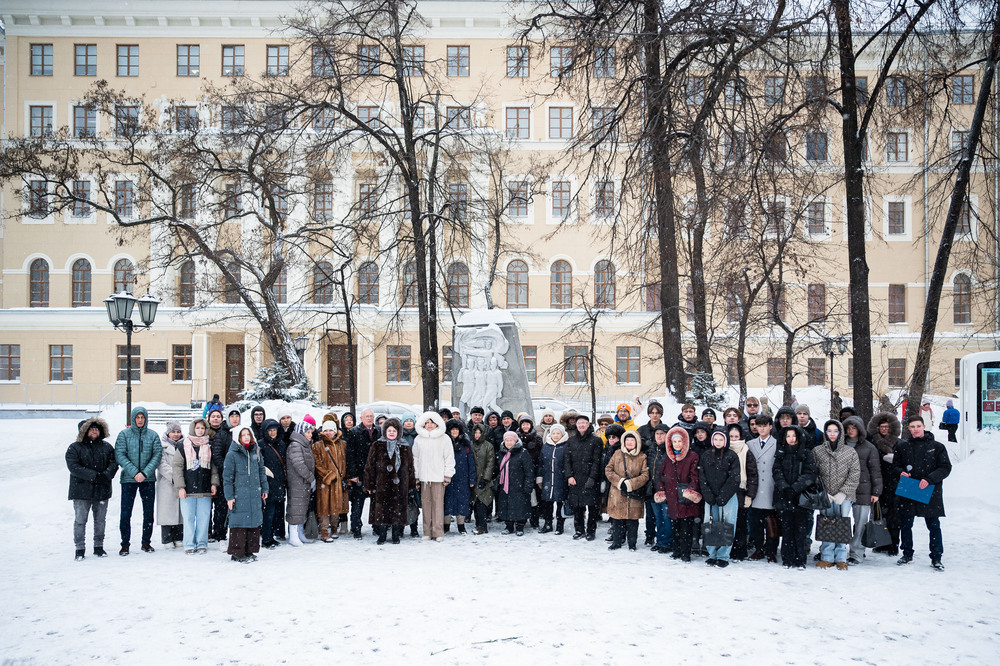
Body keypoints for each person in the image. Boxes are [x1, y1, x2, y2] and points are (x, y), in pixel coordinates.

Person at [893, 416, 952, 570]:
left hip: (930, 490)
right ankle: (907, 554)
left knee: (933, 525)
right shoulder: (902, 447)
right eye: (912, 427)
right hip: (909, 488)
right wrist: (900, 472)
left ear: (924, 426)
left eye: (918, 426)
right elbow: (895, 466)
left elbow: (945, 467)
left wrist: (930, 479)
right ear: (908, 428)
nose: (916, 429)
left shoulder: (937, 447)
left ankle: (936, 557)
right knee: (906, 524)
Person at [66, 417, 117, 560]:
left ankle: (98, 546)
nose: (94, 431)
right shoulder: (74, 448)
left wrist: (105, 475)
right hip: (81, 491)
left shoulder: (107, 447)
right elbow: (74, 467)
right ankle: (79, 549)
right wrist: (94, 476)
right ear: (84, 431)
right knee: (80, 521)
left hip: (102, 490)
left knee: (100, 520)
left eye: (97, 429)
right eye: (91, 429)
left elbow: (114, 463)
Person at [813, 420, 860, 570]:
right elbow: (814, 474)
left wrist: (843, 493)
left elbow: (854, 474)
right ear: (825, 433)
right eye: (829, 431)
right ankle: (826, 556)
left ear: (840, 433)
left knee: (842, 524)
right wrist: (823, 492)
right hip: (825, 495)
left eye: (835, 431)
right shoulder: (818, 451)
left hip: (844, 497)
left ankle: (841, 557)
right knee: (826, 524)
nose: (832, 434)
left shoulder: (850, 452)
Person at [115, 406, 162, 556]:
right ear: (133, 418)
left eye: (142, 417)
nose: (140, 420)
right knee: (125, 513)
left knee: (148, 512)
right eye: (137, 417)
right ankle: (125, 544)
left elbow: (157, 455)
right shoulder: (124, 435)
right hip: (129, 479)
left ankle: (146, 542)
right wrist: (135, 472)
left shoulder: (153, 435)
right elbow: (120, 455)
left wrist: (145, 473)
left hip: (148, 479)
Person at [771, 425, 818, 569]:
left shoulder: (806, 453)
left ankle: (800, 559)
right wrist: (784, 487)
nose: (791, 439)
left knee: (801, 530)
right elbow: (776, 471)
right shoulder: (781, 452)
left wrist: (796, 487)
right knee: (787, 529)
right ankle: (787, 558)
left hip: (801, 497)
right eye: (788, 436)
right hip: (784, 496)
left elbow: (810, 473)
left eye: (794, 436)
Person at [365, 417, 417, 545]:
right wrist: (369, 484)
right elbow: (369, 466)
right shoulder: (377, 445)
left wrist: (411, 485)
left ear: (398, 432)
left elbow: (410, 468)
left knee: (398, 510)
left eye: (394, 430)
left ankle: (395, 534)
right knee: (382, 510)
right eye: (389, 430)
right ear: (385, 432)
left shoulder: (405, 446)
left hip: (401, 485)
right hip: (382, 484)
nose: (392, 433)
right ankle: (382, 535)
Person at [654, 427, 701, 562]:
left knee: (686, 527)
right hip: (672, 497)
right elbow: (661, 476)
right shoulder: (668, 458)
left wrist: (690, 490)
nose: (677, 444)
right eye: (674, 441)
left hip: (686, 499)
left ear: (684, 442)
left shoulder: (692, 456)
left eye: (680, 441)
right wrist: (662, 490)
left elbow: (695, 477)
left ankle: (685, 553)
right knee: (675, 526)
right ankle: (676, 550)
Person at [173, 418, 219, 555]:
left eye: (202, 428)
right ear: (193, 429)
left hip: (205, 489)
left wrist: (214, 483)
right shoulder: (183, 445)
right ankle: (189, 544)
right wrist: (180, 487)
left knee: (203, 518)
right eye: (198, 428)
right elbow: (177, 467)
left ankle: (201, 543)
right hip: (188, 490)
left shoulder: (209, 446)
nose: (200, 430)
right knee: (188, 518)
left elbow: (214, 467)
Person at [222, 427, 268, 563]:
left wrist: (264, 488)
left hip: (254, 494)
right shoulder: (232, 455)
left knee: (253, 522)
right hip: (239, 496)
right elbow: (227, 478)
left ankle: (249, 551)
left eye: (248, 434)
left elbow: (261, 472)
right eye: (243, 435)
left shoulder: (256, 452)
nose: (246, 437)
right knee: (239, 524)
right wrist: (229, 497)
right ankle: (237, 553)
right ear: (238, 438)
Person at [842, 416, 883, 565]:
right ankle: (839, 551)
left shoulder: (869, 447)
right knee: (841, 521)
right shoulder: (840, 445)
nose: (851, 431)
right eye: (848, 428)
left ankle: (857, 553)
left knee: (860, 523)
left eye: (854, 428)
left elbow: (875, 471)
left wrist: (876, 492)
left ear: (859, 429)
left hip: (863, 489)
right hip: (843, 489)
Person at [699, 430, 741, 567]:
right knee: (710, 524)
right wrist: (708, 494)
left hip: (728, 497)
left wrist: (724, 495)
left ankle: (723, 556)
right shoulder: (706, 455)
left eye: (721, 439)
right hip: (710, 497)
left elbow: (734, 478)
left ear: (725, 441)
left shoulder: (732, 456)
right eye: (716, 439)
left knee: (727, 524)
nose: (718, 442)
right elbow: (702, 476)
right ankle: (712, 554)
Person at [412, 411, 454, 542]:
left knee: (438, 505)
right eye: (427, 422)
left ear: (437, 423)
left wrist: (448, 474)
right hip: (424, 478)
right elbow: (415, 458)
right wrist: (416, 476)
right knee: (426, 506)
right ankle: (427, 532)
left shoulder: (444, 438)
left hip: (438, 477)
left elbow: (449, 457)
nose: (429, 425)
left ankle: (438, 531)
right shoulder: (419, 439)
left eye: (432, 422)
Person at [604, 431, 649, 551]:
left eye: (632, 440)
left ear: (637, 442)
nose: (629, 442)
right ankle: (617, 542)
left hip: (634, 494)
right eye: (627, 440)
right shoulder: (617, 454)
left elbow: (645, 475)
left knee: (632, 521)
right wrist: (619, 482)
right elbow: (608, 470)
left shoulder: (642, 457)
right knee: (617, 520)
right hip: (617, 493)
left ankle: (632, 543)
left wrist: (630, 484)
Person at [868, 412, 903, 555]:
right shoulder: (872, 443)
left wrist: (894, 461)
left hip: (894, 483)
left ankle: (894, 544)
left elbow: (903, 462)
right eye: (881, 426)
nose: (884, 429)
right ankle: (881, 543)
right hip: (878, 482)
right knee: (879, 514)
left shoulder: (899, 443)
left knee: (894, 516)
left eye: (886, 427)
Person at [564, 413, 603, 541]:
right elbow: (567, 460)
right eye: (579, 423)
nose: (581, 425)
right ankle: (579, 530)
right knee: (577, 507)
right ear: (576, 425)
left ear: (588, 424)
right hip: (575, 478)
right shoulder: (571, 441)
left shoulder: (596, 440)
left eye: (583, 423)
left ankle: (591, 531)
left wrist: (592, 478)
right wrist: (569, 476)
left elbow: (597, 461)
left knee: (592, 507)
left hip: (590, 479)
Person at [747, 414, 779, 563]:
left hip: (770, 487)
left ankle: (771, 550)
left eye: (764, 426)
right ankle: (759, 548)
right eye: (759, 426)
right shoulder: (750, 444)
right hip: (755, 487)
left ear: (770, 427)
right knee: (756, 523)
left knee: (771, 523)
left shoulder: (777, 443)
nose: (761, 428)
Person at [346, 408, 380, 539]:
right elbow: (350, 455)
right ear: (361, 418)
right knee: (357, 503)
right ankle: (356, 528)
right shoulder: (354, 432)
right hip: (360, 473)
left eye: (371, 416)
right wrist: (353, 474)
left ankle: (377, 526)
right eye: (367, 416)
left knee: (376, 502)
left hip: (376, 473)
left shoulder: (378, 431)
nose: (369, 418)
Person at [314, 417, 349, 542]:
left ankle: (334, 527)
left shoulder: (343, 444)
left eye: (331, 430)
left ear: (335, 431)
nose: (328, 433)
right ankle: (324, 530)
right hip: (324, 481)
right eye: (326, 430)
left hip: (339, 481)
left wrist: (345, 477)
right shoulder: (317, 446)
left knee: (336, 506)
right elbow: (317, 464)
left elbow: (346, 462)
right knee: (324, 506)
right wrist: (328, 476)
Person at [726, 424, 758, 561]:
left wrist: (750, 495)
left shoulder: (746, 451)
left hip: (741, 491)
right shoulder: (723, 449)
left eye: (736, 436)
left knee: (740, 523)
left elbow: (752, 474)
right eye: (731, 436)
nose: (733, 439)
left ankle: (739, 551)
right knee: (727, 522)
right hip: (726, 491)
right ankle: (726, 549)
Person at [209, 409, 240, 544]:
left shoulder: (243, 432)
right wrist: (228, 470)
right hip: (225, 477)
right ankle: (219, 533)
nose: (235, 419)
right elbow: (217, 456)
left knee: (237, 506)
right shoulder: (221, 434)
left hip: (240, 477)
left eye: (237, 416)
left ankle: (236, 532)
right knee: (221, 506)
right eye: (232, 416)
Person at [496, 431, 535, 535]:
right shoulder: (502, 453)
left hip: (519, 485)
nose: (509, 442)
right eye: (507, 440)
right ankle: (508, 526)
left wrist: (528, 485)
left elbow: (529, 471)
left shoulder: (523, 453)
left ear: (516, 441)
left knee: (520, 506)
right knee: (506, 506)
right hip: (505, 485)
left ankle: (520, 527)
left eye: (511, 440)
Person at [285, 420, 317, 547]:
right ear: (301, 433)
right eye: (308, 432)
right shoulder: (296, 445)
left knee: (302, 508)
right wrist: (310, 478)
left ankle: (300, 533)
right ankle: (293, 535)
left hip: (303, 483)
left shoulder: (304, 445)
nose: (310, 435)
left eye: (311, 432)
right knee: (296, 508)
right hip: (297, 483)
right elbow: (299, 465)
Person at [443, 419, 476, 534]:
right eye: (452, 429)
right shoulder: (444, 443)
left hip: (462, 478)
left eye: (456, 429)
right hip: (448, 477)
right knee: (447, 501)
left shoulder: (465, 444)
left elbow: (471, 462)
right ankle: (446, 525)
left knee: (462, 502)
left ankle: (461, 526)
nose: (454, 431)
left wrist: (472, 479)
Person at [258, 419, 287, 549]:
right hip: (268, 483)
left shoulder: (281, 444)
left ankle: (274, 535)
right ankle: (266, 538)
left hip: (279, 482)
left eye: (274, 430)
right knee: (268, 512)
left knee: (277, 511)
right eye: (270, 430)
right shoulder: (261, 445)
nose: (272, 433)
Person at [155, 421, 184, 549]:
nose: (176, 434)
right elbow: (161, 464)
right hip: (167, 482)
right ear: (168, 433)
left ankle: (178, 536)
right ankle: (167, 538)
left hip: (182, 482)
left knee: (180, 511)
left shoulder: (185, 445)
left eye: (178, 432)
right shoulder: (162, 446)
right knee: (167, 511)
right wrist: (175, 477)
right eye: (173, 432)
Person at [644, 424, 672, 553]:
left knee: (667, 517)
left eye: (662, 433)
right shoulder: (651, 449)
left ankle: (667, 542)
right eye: (657, 434)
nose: (659, 436)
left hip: (666, 489)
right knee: (658, 517)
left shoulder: (669, 450)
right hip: (653, 489)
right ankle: (659, 541)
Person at [538, 423, 569, 534]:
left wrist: (568, 477)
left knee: (560, 504)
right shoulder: (546, 446)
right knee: (547, 504)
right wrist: (540, 478)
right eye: (554, 433)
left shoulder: (566, 447)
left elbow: (569, 464)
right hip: (547, 479)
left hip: (561, 480)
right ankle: (548, 524)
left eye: (558, 433)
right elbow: (541, 463)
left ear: (562, 434)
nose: (555, 435)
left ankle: (560, 525)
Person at [517, 414, 543, 528]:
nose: (525, 426)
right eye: (523, 424)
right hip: (519, 472)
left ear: (531, 425)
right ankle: (522, 519)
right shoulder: (516, 438)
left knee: (533, 497)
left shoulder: (537, 438)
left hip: (533, 471)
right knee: (522, 497)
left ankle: (534, 520)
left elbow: (541, 457)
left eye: (527, 424)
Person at [470, 423, 496, 534]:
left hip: (484, 480)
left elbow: (490, 463)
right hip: (473, 478)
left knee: (482, 502)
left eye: (479, 433)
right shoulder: (470, 445)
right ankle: (478, 524)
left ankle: (482, 526)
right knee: (475, 503)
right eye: (475, 432)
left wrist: (485, 478)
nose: (477, 435)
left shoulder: (488, 446)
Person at [399, 414, 421, 537]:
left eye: (410, 421)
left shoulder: (418, 436)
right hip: (401, 472)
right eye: (406, 421)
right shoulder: (399, 436)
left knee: (414, 502)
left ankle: (414, 527)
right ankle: (401, 527)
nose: (408, 423)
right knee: (401, 501)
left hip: (414, 471)